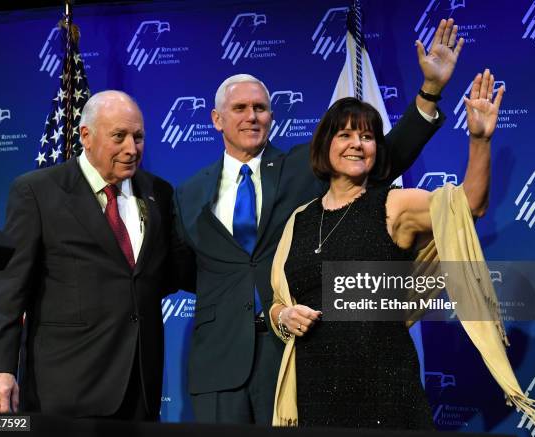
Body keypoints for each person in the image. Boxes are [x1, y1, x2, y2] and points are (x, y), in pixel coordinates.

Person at [174, 19, 464, 425]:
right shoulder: (188, 191)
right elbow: (183, 269)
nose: (252, 117)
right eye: (239, 108)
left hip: (296, 349)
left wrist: (429, 92)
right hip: (218, 360)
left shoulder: (302, 168)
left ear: (272, 116)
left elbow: (385, 158)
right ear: (217, 119)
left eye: (260, 108)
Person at [268, 71, 508, 428]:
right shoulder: (300, 220)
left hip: (386, 391)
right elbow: (278, 303)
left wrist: (479, 139)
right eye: (345, 134)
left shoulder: (395, 205)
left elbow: (469, 207)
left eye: (367, 136)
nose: (357, 143)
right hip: (314, 391)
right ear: (324, 145)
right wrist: (283, 318)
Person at [0, 90, 184, 420]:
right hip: (66, 387)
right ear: (85, 136)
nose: (131, 149)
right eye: (119, 136)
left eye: (138, 136)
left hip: (140, 388)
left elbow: (168, 274)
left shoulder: (158, 192)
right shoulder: (37, 191)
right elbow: (9, 286)